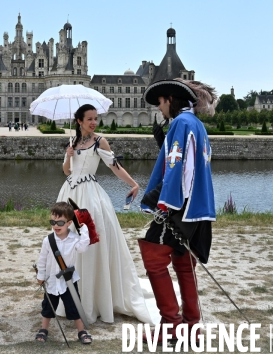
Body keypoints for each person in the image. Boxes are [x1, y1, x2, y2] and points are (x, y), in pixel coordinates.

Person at [56, 104, 153, 325]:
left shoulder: (100, 141)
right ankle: (72, 296)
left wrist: (134, 183)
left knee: (91, 243)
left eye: (95, 119)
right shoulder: (72, 142)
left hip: (90, 196)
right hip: (69, 192)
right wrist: (68, 156)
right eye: (89, 119)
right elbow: (66, 171)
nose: (93, 122)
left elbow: (114, 165)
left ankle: (95, 298)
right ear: (79, 121)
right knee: (68, 244)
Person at [139, 78, 218, 344]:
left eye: (161, 102)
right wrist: (164, 144)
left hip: (179, 207)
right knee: (184, 261)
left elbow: (180, 170)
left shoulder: (181, 123)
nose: (160, 108)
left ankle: (172, 326)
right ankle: (191, 325)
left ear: (170, 99)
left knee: (153, 255)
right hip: (197, 207)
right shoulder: (195, 124)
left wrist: (164, 204)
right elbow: (189, 163)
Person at [36, 202, 92, 344]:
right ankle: (43, 329)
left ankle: (81, 331)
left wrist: (84, 229)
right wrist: (40, 276)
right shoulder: (48, 240)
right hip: (51, 281)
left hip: (69, 281)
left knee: (73, 306)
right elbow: (42, 259)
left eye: (60, 222)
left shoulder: (74, 239)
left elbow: (83, 248)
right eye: (53, 222)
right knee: (48, 306)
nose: (56, 225)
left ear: (69, 223)